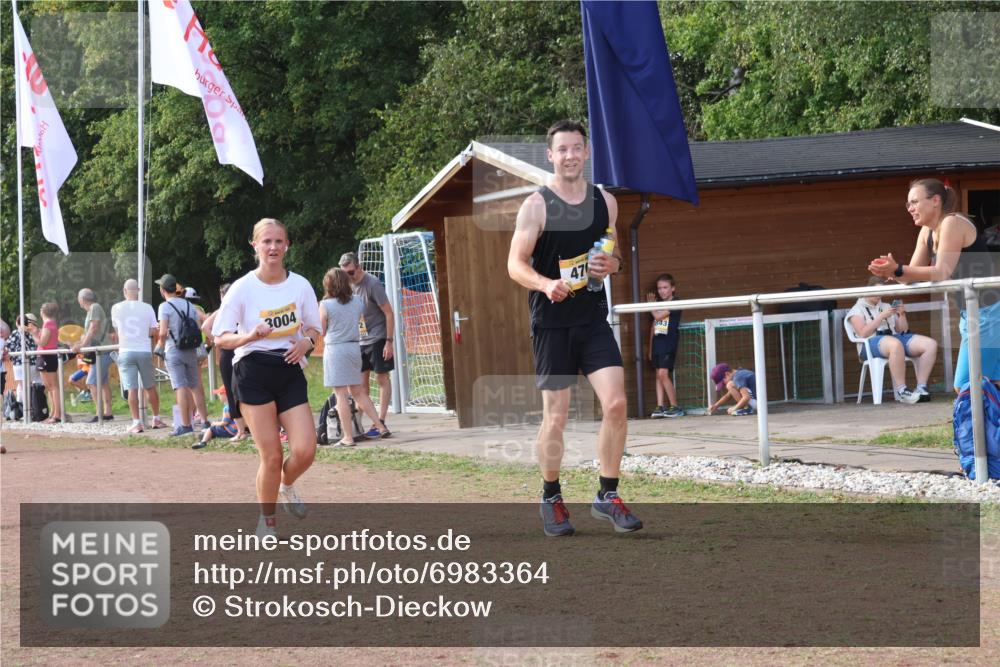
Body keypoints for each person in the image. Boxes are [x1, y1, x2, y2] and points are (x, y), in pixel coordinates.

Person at [507, 119, 641, 537]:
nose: (570, 155)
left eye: (576, 148)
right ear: (551, 156)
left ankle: (607, 495)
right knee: (557, 415)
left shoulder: (606, 202)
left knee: (616, 404)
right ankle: (551, 497)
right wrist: (545, 284)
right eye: (562, 149)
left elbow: (612, 253)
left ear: (587, 152)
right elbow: (515, 264)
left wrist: (611, 264)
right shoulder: (536, 205)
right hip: (552, 324)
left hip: (592, 318)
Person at [212, 218, 322, 540]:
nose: (273, 247)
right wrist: (248, 337)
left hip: (288, 367)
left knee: (305, 450)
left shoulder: (300, 285)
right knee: (272, 456)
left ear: (287, 245)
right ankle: (267, 521)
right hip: (252, 371)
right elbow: (220, 337)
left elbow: (315, 328)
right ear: (255, 245)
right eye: (267, 241)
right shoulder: (242, 288)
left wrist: (307, 342)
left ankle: (286, 485)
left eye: (278, 241)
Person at [869, 178, 1000, 392]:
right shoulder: (927, 231)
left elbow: (941, 272)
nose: (910, 208)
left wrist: (899, 269)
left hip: (989, 312)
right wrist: (891, 270)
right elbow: (910, 275)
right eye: (908, 203)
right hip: (973, 313)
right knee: (988, 383)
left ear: (935, 200)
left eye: (914, 202)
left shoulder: (952, 223)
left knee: (965, 386)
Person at [320, 267, 391, 447]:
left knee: (341, 394)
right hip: (354, 347)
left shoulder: (325, 305)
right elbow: (359, 320)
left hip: (336, 349)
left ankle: (348, 437)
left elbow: (322, 330)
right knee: (358, 391)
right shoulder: (357, 301)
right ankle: (380, 426)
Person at [846, 277, 937, 403]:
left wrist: (901, 314)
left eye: (881, 292)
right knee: (895, 344)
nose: (879, 295)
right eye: (876, 291)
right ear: (867, 289)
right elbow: (863, 333)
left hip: (893, 338)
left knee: (930, 344)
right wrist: (881, 317)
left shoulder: (886, 306)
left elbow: (902, 330)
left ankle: (921, 388)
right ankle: (902, 391)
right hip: (869, 343)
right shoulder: (856, 309)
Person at [338, 251, 395, 437]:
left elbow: (389, 313)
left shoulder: (373, 284)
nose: (348, 277)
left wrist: (389, 342)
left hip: (378, 337)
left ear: (359, 267)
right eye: (344, 273)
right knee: (360, 386)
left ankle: (381, 421)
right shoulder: (345, 285)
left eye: (351, 272)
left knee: (382, 378)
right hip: (358, 340)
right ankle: (358, 424)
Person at [155, 273, 208, 436]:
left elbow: (162, 332)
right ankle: (205, 421)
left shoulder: (164, 307)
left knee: (180, 386)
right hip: (191, 350)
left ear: (162, 290)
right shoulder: (189, 305)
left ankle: (186, 425)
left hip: (174, 350)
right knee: (195, 385)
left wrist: (159, 345)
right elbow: (198, 326)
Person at [111, 279, 167, 433]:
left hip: (125, 351)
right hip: (144, 351)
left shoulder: (116, 308)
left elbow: (117, 331)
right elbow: (153, 331)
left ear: (124, 291)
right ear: (139, 290)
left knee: (132, 389)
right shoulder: (147, 308)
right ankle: (156, 418)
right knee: (150, 386)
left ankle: (136, 422)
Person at [202, 283, 249, 440]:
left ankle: (241, 430)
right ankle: (248, 427)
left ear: (222, 296)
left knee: (231, 391)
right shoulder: (242, 309)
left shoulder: (221, 311)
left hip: (228, 352)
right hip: (243, 352)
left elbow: (205, 327)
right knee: (246, 389)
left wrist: (217, 340)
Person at [70, 288, 114, 422]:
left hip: (102, 351)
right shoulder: (92, 310)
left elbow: (94, 328)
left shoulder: (94, 307)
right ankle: (107, 413)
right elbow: (89, 333)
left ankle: (99, 413)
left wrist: (82, 345)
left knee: (91, 382)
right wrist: (78, 344)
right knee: (103, 382)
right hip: (100, 351)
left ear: (82, 299)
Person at [646, 273, 684, 418]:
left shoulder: (676, 302)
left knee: (663, 374)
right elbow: (654, 325)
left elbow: (657, 316)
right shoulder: (657, 304)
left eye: (665, 287)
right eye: (659, 288)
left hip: (668, 342)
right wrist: (650, 349)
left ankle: (675, 406)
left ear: (673, 288)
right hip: (658, 342)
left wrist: (651, 306)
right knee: (658, 375)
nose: (662, 291)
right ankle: (660, 406)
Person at [36, 303, 63, 423]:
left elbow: (43, 342)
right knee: (49, 387)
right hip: (45, 356)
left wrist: (33, 335)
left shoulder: (48, 324)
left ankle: (57, 414)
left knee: (53, 386)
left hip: (47, 356)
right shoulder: (50, 323)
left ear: (43, 312)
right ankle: (53, 413)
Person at [6, 313, 39, 408]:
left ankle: (23, 408)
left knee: (21, 386)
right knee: (32, 385)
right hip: (32, 362)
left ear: (17, 323)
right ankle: (33, 406)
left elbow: (8, 347)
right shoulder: (32, 332)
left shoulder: (15, 333)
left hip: (18, 364)